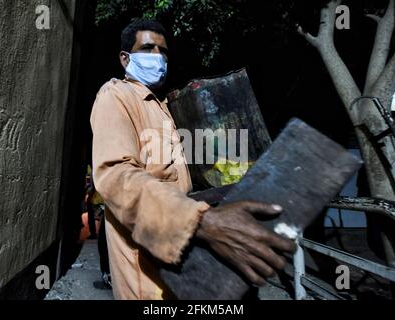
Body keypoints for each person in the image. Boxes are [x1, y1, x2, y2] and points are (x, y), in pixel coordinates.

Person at [90, 19, 296, 300]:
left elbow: (179, 177)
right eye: (148, 48)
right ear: (125, 58)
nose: (158, 58)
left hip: (182, 262)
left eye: (163, 51)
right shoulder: (115, 97)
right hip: (147, 266)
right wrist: (198, 221)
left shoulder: (163, 107)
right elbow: (116, 176)